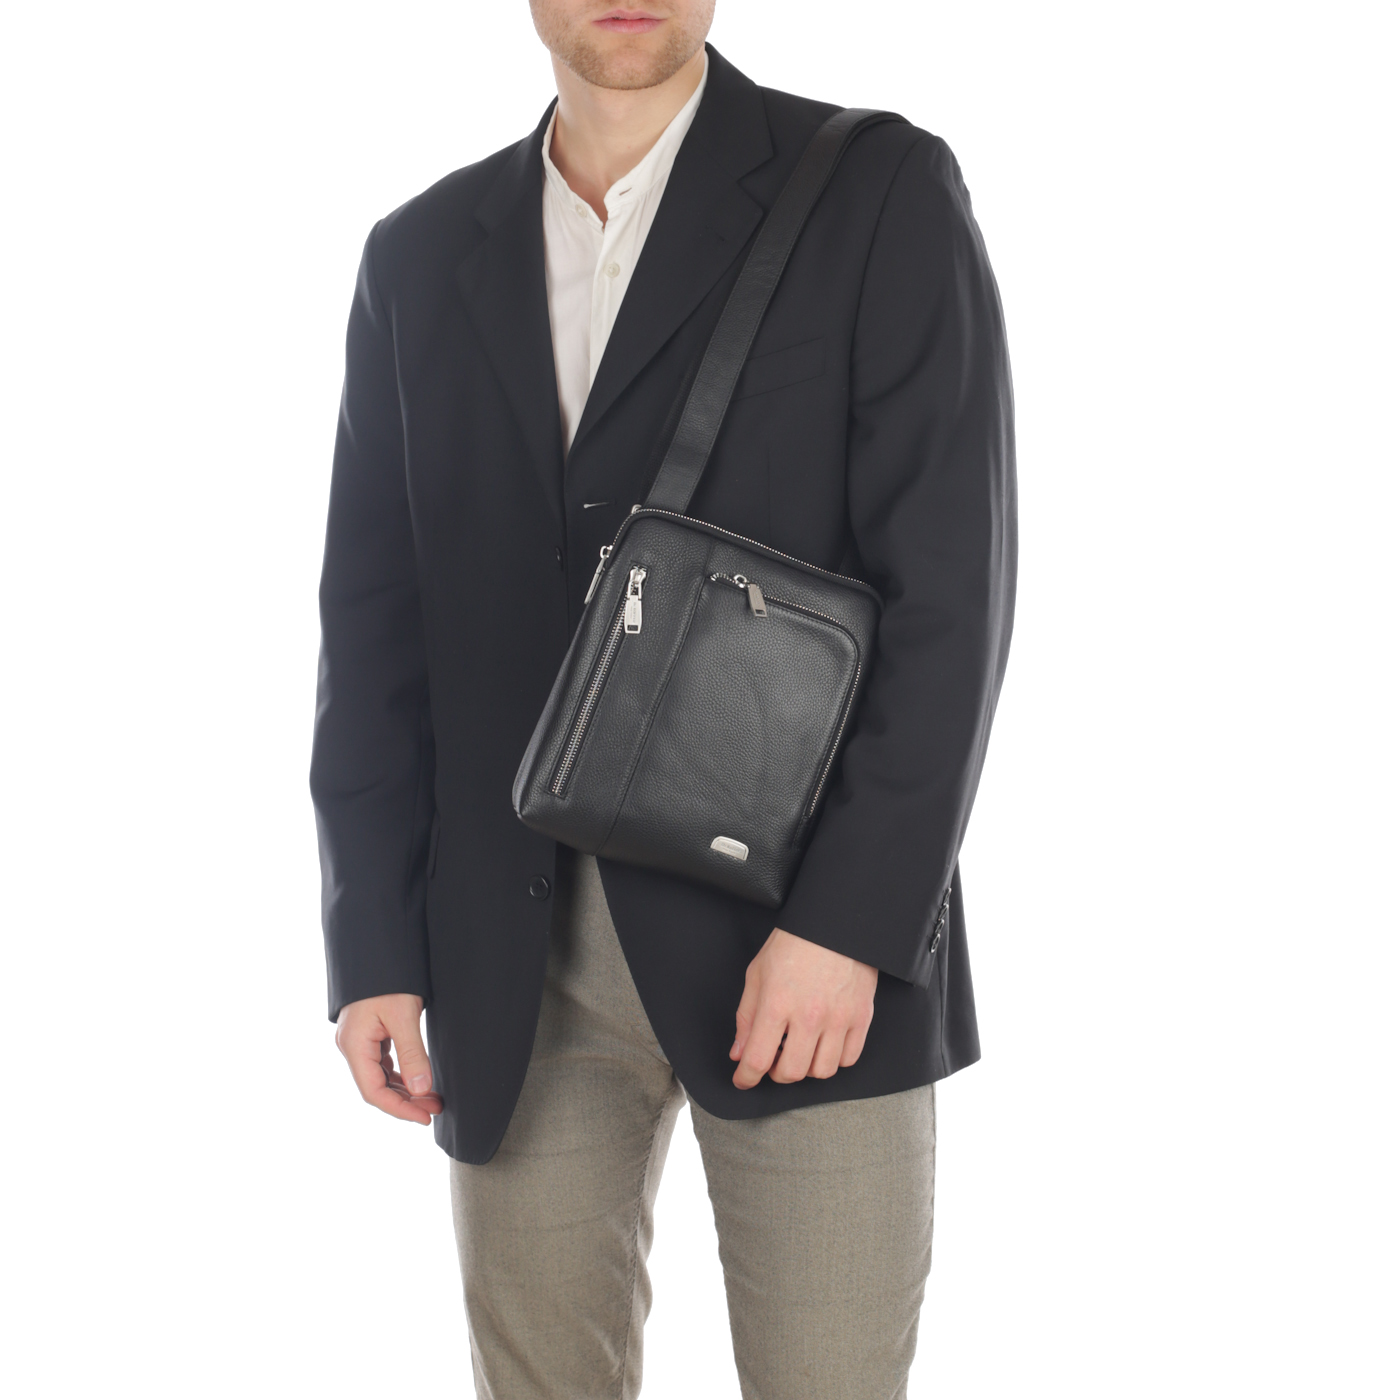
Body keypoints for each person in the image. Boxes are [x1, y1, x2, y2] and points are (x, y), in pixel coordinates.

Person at [310, 2, 1015, 1395]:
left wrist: (852, 924)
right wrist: (373, 937)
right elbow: (376, 624)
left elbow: (953, 593)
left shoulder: (876, 188)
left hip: (801, 942)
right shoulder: (419, 254)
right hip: (511, 961)